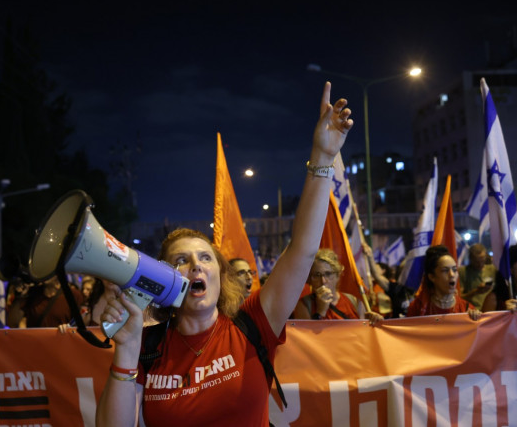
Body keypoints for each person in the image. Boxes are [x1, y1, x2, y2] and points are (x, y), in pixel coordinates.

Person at [95, 81, 354, 426]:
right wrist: (126, 350)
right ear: (164, 280)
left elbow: (304, 250)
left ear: (220, 275)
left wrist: (322, 157)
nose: (194, 266)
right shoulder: (147, 347)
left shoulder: (252, 324)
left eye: (205, 258)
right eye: (180, 261)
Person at [406, 245, 482, 321]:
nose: (452, 275)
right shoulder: (418, 308)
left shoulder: (467, 309)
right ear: (432, 277)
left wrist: (476, 319)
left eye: (454, 270)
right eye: (445, 270)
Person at [17, 275, 83, 328]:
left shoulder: (73, 295)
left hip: (61, 342)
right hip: (36, 342)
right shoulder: (34, 292)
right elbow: (22, 320)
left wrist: (68, 327)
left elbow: (81, 323)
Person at [459, 244, 497, 310]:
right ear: (471, 259)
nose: (480, 264)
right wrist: (476, 292)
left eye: (482, 260)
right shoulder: (463, 271)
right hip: (473, 311)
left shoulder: (493, 269)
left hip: (491, 310)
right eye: (477, 262)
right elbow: (459, 297)